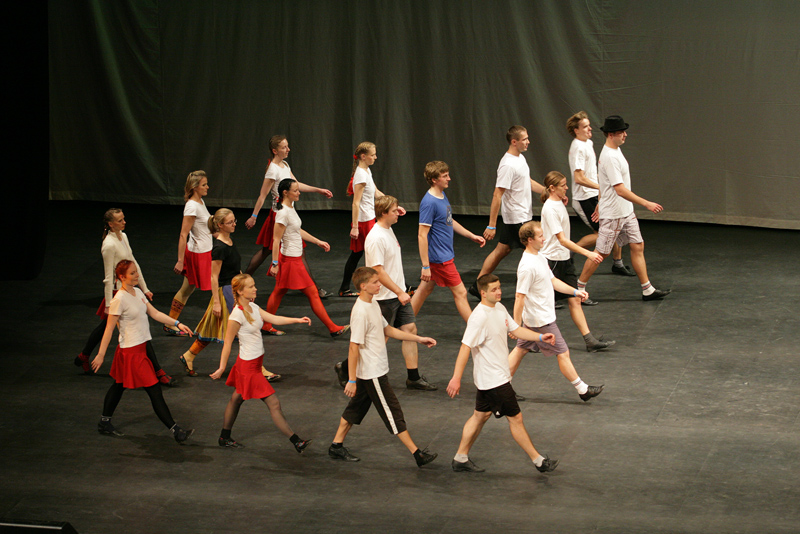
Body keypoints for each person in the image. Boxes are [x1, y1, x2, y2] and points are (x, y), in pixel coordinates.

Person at [446, 274, 559, 474]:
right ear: (483, 293)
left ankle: (460, 458)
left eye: (499, 287)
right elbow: (465, 347)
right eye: (494, 289)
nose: (499, 292)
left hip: (492, 378)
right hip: (494, 381)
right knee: (516, 419)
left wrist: (540, 337)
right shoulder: (479, 318)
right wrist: (456, 378)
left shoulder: (499, 308)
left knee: (480, 416)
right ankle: (539, 461)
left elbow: (516, 330)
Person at [328, 267, 438, 467]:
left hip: (372, 370)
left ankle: (336, 446)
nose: (380, 285)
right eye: (375, 282)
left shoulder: (372, 304)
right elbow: (353, 347)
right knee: (392, 412)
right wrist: (351, 380)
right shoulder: (360, 312)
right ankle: (417, 454)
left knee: (355, 409)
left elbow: (388, 330)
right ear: (363, 286)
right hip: (372, 373)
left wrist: (418, 339)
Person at [334, 196, 436, 391]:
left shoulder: (387, 228)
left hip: (398, 294)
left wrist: (401, 291)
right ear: (383, 213)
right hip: (385, 297)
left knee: (410, 330)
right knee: (378, 340)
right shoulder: (376, 238)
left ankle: (413, 377)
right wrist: (399, 292)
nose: (398, 213)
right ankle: (345, 367)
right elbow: (377, 271)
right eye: (394, 211)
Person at [91, 260, 194, 443]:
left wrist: (177, 323)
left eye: (136, 272)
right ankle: (176, 431)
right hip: (131, 353)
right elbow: (108, 329)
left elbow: (155, 313)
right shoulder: (119, 300)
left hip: (140, 349)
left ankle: (104, 422)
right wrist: (100, 354)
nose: (136, 275)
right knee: (154, 391)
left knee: (119, 385)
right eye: (132, 273)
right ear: (122, 277)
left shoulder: (137, 292)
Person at [209, 274, 312, 451]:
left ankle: (224, 437)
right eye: (251, 287)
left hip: (254, 364)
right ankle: (296, 441)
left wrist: (296, 320)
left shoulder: (253, 307)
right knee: (274, 403)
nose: (255, 289)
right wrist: (222, 367)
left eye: (254, 285)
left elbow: (273, 319)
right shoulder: (237, 315)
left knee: (236, 399)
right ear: (240, 291)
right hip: (248, 368)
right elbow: (227, 344)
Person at [506, 221, 606, 402]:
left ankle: (500, 387)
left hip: (537, 317)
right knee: (563, 352)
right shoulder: (527, 266)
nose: (544, 239)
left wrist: (575, 292)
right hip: (540, 320)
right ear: (530, 240)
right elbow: (519, 297)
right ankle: (583, 390)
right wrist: (516, 324)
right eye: (540, 236)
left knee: (521, 349)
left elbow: (553, 281)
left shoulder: (539, 257)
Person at [576, 116, 671, 301]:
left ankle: (647, 289)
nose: (625, 135)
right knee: (601, 253)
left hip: (625, 212)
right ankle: (579, 290)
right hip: (614, 214)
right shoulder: (610, 157)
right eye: (621, 132)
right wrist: (646, 203)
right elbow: (619, 189)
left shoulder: (615, 151)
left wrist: (600, 202)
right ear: (611, 135)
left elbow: (605, 184)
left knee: (637, 245)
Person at [74, 208, 174, 386]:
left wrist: (144, 287)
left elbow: (133, 263)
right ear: (110, 224)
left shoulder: (124, 237)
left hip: (129, 289)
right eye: (120, 220)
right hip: (118, 293)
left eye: (123, 219)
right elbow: (108, 277)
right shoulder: (108, 245)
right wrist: (108, 304)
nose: (124, 222)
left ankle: (83, 356)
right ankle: (158, 371)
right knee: (136, 330)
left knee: (106, 327)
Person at [179, 209, 281, 381]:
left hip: (233, 289)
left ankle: (189, 356)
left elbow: (235, 270)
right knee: (245, 330)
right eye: (230, 222)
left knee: (212, 325)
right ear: (220, 225)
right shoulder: (219, 248)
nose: (234, 224)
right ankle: (258, 369)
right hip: (226, 292)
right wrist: (217, 302)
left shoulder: (229, 241)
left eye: (234, 221)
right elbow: (214, 277)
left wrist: (246, 288)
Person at [243, 135, 333, 299]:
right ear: (275, 150)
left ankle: (241, 279)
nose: (288, 149)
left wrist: (318, 190)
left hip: (287, 212)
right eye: (284, 147)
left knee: (268, 250)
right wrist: (254, 216)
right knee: (278, 250)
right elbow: (263, 195)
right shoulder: (272, 169)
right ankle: (315, 289)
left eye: (287, 146)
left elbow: (296, 185)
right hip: (279, 214)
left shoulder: (284, 165)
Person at [538, 173, 615, 352]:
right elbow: (562, 240)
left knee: (575, 300)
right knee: (543, 304)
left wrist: (562, 199)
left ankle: (589, 341)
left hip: (564, 259)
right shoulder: (550, 208)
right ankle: (529, 339)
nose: (567, 188)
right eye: (563, 185)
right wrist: (587, 253)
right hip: (552, 261)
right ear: (552, 188)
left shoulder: (557, 202)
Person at [264, 179, 349, 337]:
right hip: (289, 260)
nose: (299, 193)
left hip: (293, 258)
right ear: (285, 193)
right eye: (295, 190)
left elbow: (297, 230)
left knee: (280, 291)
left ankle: (266, 324)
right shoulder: (283, 213)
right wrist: (275, 263)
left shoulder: (290, 208)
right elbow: (276, 240)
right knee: (312, 292)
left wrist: (317, 241)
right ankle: (333, 328)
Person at [468, 126, 545, 299]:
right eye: (524, 139)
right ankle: (540, 294)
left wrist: (547, 192)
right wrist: (491, 225)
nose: (528, 142)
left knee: (501, 250)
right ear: (514, 142)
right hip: (517, 218)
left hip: (521, 216)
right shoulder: (507, 165)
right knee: (536, 252)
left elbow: (527, 181)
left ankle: (477, 286)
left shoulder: (520, 158)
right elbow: (497, 194)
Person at [410, 160, 485, 322]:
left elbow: (449, 220)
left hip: (441, 256)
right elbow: (422, 235)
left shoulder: (442, 196)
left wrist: (470, 235)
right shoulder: (429, 203)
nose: (449, 179)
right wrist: (425, 266)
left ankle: (404, 323)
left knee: (424, 290)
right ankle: (476, 331)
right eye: (444, 176)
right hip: (440, 259)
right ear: (434, 180)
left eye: (448, 175)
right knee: (461, 293)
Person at [566, 111, 635, 282]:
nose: (590, 129)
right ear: (576, 130)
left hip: (594, 194)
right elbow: (579, 178)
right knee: (604, 233)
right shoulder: (578, 147)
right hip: (584, 198)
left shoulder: (587, 143)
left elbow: (591, 173)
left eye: (589, 125)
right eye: (585, 127)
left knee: (615, 227)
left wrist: (602, 187)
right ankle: (568, 251)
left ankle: (617, 263)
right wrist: (603, 186)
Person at [337, 142, 406, 297]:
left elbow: (375, 192)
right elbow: (356, 203)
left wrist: (393, 206)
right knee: (366, 253)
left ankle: (344, 288)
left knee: (357, 254)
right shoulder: (361, 176)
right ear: (363, 156)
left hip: (369, 218)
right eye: (373, 155)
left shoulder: (366, 171)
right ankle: (349, 287)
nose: (375, 157)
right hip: (363, 221)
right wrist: (355, 226)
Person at [165, 171, 213, 335]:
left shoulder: (200, 201)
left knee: (187, 289)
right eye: (204, 185)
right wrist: (180, 260)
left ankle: (170, 323)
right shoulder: (192, 206)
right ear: (195, 187)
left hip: (204, 250)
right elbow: (183, 234)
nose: (207, 187)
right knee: (222, 286)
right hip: (199, 254)